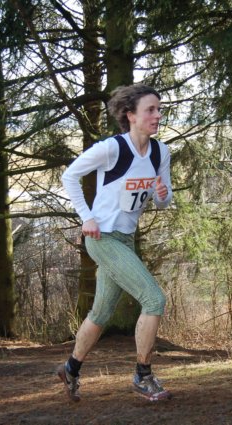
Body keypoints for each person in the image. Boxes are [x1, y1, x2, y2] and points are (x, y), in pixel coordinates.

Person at [58, 84, 173, 402]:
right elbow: (69, 176)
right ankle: (142, 375)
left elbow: (164, 199)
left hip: (125, 239)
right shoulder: (112, 148)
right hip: (102, 238)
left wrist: (162, 195)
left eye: (159, 109)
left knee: (101, 313)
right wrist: (86, 217)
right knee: (154, 299)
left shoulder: (160, 153)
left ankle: (70, 368)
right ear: (130, 115)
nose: (157, 115)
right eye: (150, 110)